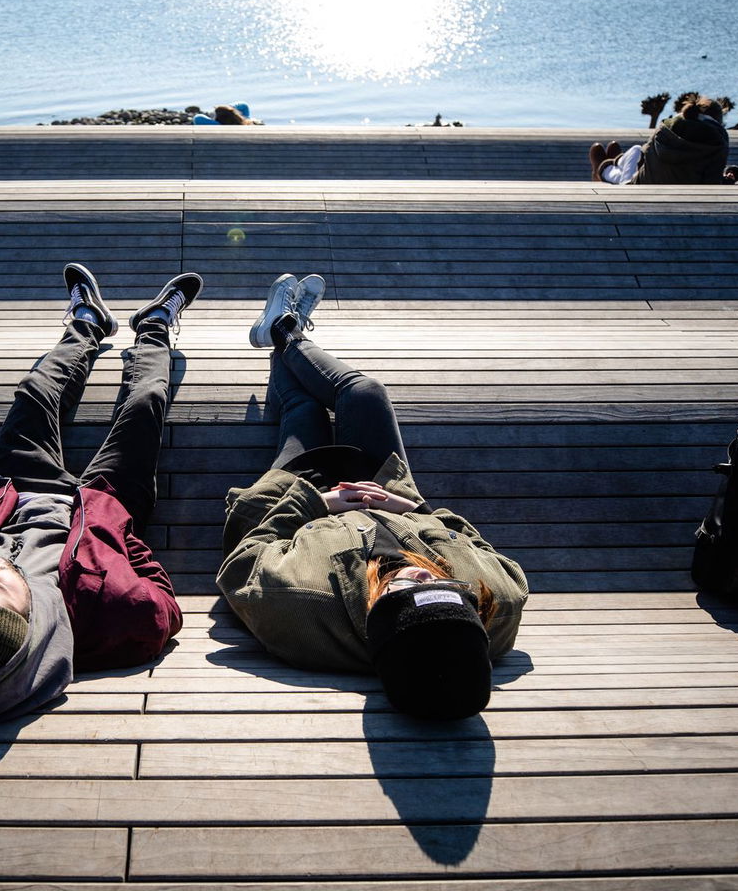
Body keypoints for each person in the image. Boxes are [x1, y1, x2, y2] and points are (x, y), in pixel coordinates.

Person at [0, 264, 204, 723]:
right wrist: (123, 536)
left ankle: (87, 323)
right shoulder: (120, 617)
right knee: (144, 402)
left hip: (17, 493)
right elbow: (164, 600)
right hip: (106, 502)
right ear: (31, 620)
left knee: (34, 392)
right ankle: (154, 328)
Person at [217, 274, 529, 719]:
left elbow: (244, 555)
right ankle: (284, 332)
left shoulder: (298, 604)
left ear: (378, 622)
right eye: (446, 588)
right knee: (365, 393)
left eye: (407, 592)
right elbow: (476, 546)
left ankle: (283, 332)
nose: (427, 579)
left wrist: (317, 502)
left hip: (300, 496)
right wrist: (416, 510)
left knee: (305, 413)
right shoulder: (497, 602)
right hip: (388, 493)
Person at [589, 96, 729, 185]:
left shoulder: (665, 128)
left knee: (637, 151)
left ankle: (604, 168)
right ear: (718, 121)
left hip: (644, 185)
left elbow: (646, 153)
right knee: (636, 153)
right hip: (685, 195)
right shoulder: (718, 142)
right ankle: (610, 164)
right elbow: (712, 183)